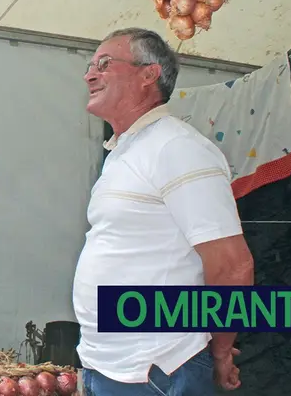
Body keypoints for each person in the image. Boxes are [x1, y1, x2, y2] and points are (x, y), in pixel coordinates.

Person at [73, 28, 255, 395]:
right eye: (90, 65)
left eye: (105, 64)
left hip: (158, 370)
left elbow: (233, 267)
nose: (90, 75)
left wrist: (220, 353)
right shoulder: (125, 151)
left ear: (148, 75)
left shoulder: (177, 148)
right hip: (108, 365)